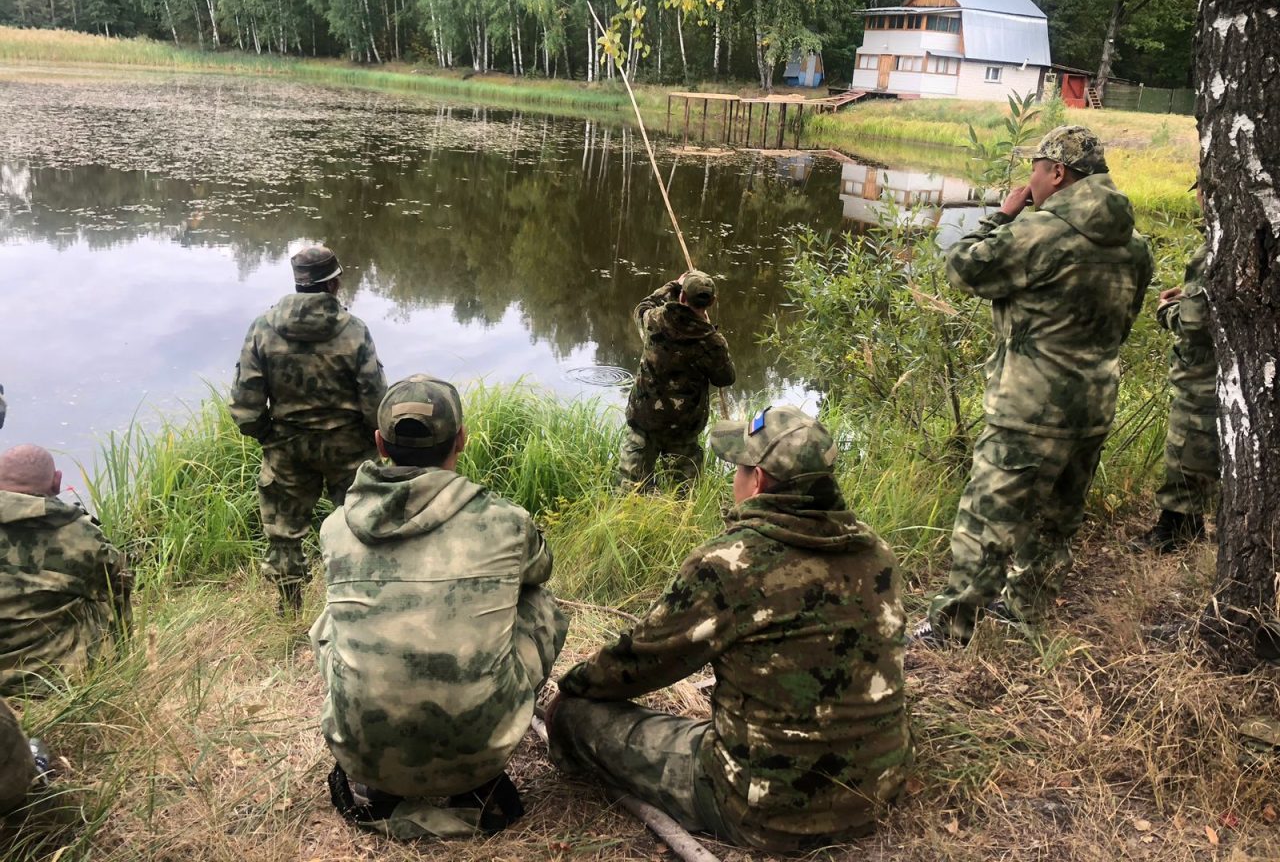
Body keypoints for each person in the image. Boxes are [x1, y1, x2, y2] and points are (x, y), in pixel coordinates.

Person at [549, 404, 913, 853]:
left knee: (571, 715)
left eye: (739, 468)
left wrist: (571, 686)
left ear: (757, 481)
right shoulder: (877, 551)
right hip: (879, 791)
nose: (735, 479)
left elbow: (638, 663)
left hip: (765, 812)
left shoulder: (728, 565)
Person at [918, 125, 1154, 646]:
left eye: (1035, 170)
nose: (1030, 181)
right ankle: (1027, 614)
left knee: (988, 520)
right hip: (1093, 406)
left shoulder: (1039, 232)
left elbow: (961, 267)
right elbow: (1127, 318)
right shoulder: (1135, 245)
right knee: (1056, 522)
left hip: (1028, 407)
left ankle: (953, 629)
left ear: (1057, 173)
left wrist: (1003, 213)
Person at [310, 375, 567, 838]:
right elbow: (541, 571)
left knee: (331, 621)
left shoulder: (335, 528)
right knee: (540, 604)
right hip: (478, 757)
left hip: (361, 752)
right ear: (461, 440)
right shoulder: (507, 523)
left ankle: (374, 784)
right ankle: (476, 779)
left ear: (380, 445)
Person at [229, 245, 387, 613]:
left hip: (287, 448)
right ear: (334, 283)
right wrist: (368, 439)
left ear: (299, 283)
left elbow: (246, 404)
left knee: (284, 535)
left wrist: (269, 435)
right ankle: (357, 607)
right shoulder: (354, 332)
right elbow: (375, 403)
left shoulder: (263, 329)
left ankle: (289, 609)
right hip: (348, 450)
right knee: (359, 527)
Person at [0, 444, 131, 694]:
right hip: (49, 681)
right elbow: (119, 583)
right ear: (57, 481)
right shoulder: (79, 534)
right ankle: (116, 670)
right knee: (115, 584)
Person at [1135, 182, 1218, 551]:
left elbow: (1195, 325)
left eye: (1199, 187)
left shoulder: (1216, 248)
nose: (1197, 197)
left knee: (1187, 443)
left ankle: (1175, 529)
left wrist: (1166, 310)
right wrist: (1186, 296)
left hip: (1204, 373)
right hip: (1222, 371)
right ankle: (1189, 522)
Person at [619, 270, 735, 490]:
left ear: (681, 297)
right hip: (683, 428)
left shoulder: (656, 320)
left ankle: (633, 518)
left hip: (645, 419)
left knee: (631, 489)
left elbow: (641, 308)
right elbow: (725, 378)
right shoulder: (712, 342)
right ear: (712, 302)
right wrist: (713, 336)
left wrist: (672, 285)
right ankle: (678, 521)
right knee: (684, 496)